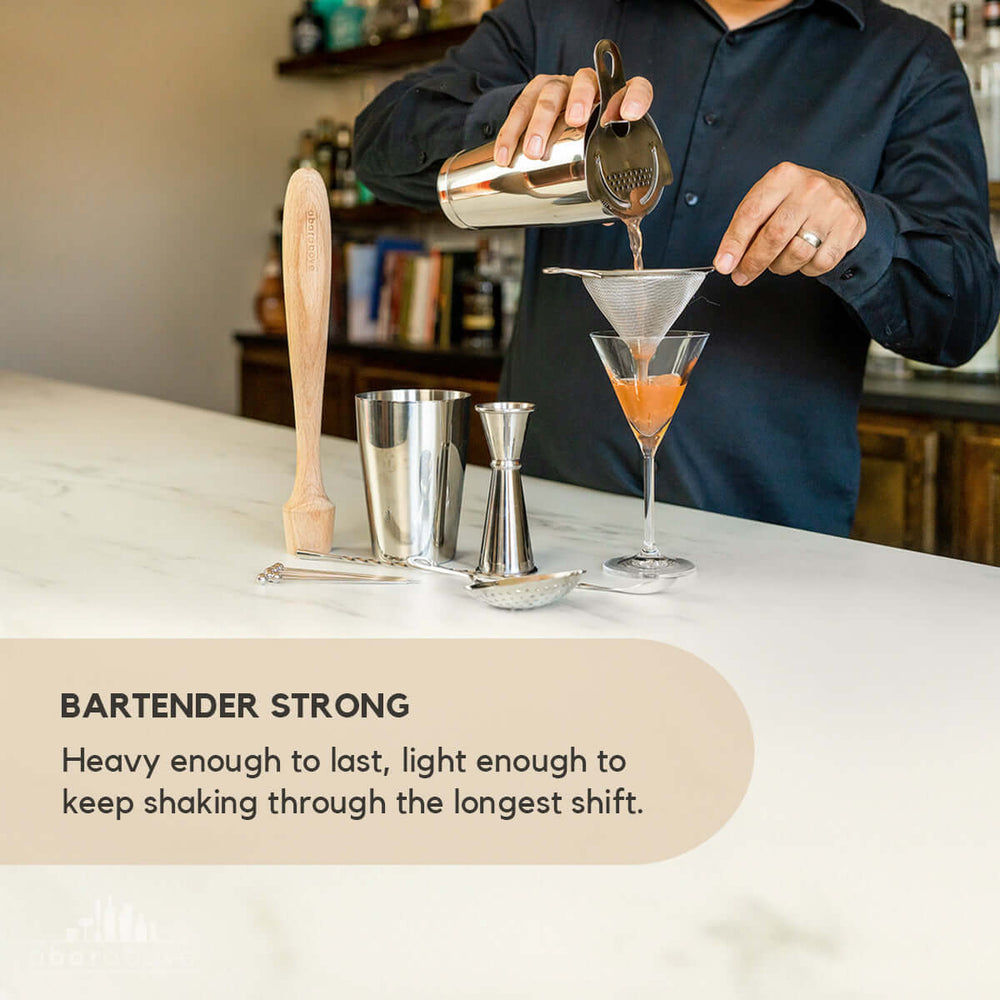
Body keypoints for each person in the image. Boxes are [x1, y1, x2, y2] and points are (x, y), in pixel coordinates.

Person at [354, 0, 1000, 536]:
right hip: (541, 524)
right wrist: (510, 119)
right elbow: (378, 149)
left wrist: (860, 229)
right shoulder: (555, 15)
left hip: (771, 545)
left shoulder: (907, 58)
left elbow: (959, 320)